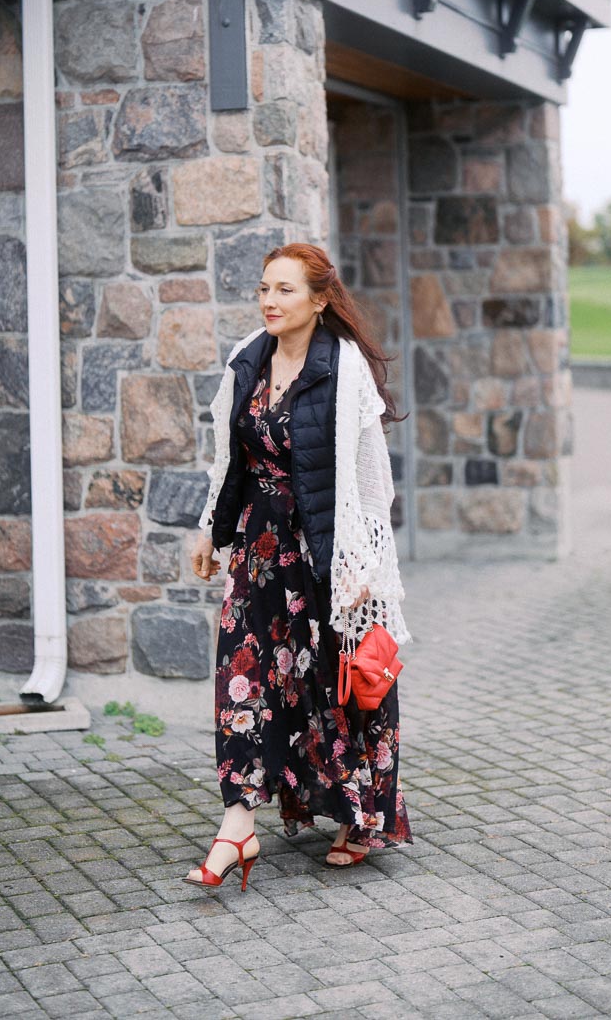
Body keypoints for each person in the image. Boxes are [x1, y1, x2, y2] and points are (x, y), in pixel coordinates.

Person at [186, 241, 412, 890]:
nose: (269, 301)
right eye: (264, 288)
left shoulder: (341, 370)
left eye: (284, 290)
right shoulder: (247, 359)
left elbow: (371, 481)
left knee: (330, 691)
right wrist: (211, 528)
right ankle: (237, 823)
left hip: (323, 553)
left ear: (319, 300)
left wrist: (364, 564)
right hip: (260, 554)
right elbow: (229, 458)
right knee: (244, 681)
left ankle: (356, 813)